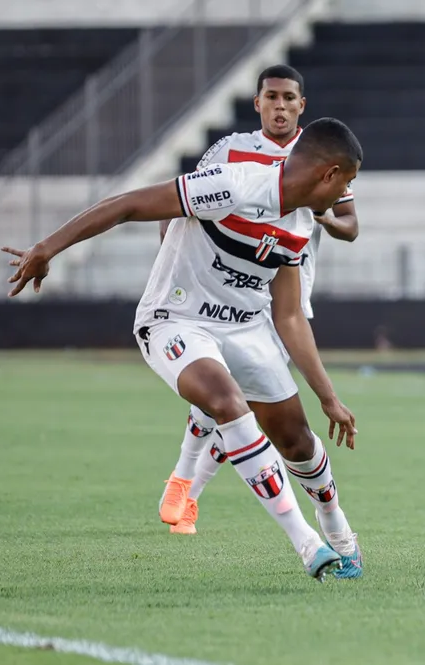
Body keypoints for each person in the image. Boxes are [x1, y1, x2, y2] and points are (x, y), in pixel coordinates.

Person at [2, 117, 365, 580]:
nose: (345, 197)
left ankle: (337, 531)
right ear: (328, 174)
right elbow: (131, 204)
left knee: (297, 440)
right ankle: (307, 544)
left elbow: (288, 315)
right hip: (176, 320)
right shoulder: (233, 185)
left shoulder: (299, 222)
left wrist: (328, 396)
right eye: (347, 182)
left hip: (248, 329)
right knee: (226, 402)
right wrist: (48, 247)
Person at [157, 65, 360, 538]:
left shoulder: (323, 156)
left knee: (250, 407)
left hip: (288, 298)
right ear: (258, 102)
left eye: (290, 98)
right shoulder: (231, 151)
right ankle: (186, 487)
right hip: (231, 292)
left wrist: (323, 217)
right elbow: (181, 200)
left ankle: (186, 487)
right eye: (272, 97)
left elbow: (351, 225)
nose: (281, 105)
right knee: (225, 398)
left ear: (301, 106)